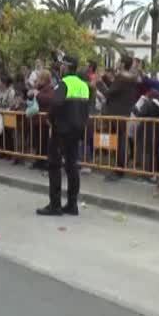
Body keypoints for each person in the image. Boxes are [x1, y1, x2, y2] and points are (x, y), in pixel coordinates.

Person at [37, 55, 90, 216]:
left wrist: (51, 121)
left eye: (62, 65)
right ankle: (72, 205)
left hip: (61, 130)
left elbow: (55, 104)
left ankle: (55, 205)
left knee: (54, 165)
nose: (60, 68)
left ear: (66, 67)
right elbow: (87, 109)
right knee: (72, 166)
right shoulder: (84, 85)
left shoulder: (64, 84)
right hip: (77, 130)